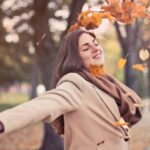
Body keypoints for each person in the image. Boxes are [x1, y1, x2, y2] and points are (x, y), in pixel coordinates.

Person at [0, 29, 142, 150]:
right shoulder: (75, 83)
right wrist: (4, 121)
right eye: (86, 48)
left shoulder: (105, 82)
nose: (95, 48)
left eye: (95, 43)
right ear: (76, 59)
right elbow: (44, 105)